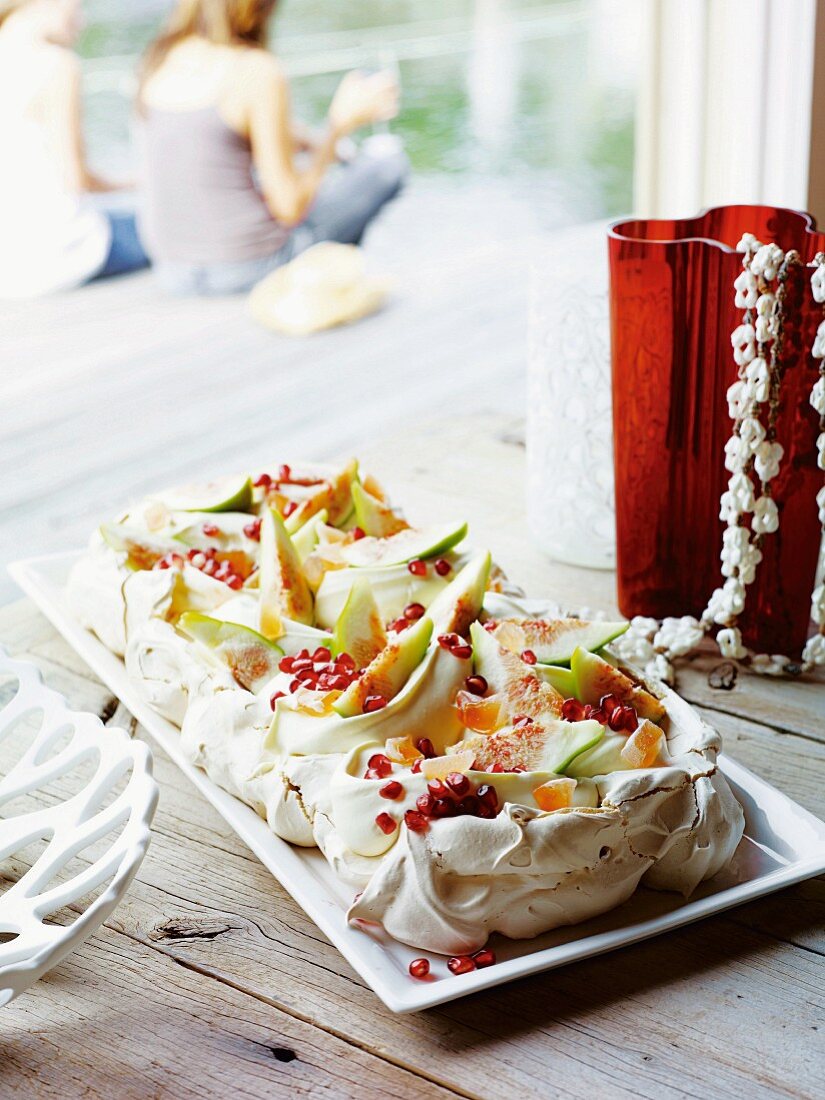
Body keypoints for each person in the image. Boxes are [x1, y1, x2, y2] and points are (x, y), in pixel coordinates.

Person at [138, 0, 407, 295]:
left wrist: (305, 140)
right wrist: (338, 126)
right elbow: (289, 207)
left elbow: (205, 139)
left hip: (173, 271)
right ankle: (328, 282)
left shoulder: (159, 58)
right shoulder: (254, 69)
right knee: (386, 165)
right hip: (252, 268)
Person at [0, 0, 150, 299]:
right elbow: (76, 179)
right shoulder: (55, 63)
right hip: (61, 254)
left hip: (8, 264)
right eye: (75, 7)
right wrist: (135, 181)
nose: (80, 21)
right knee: (158, 224)